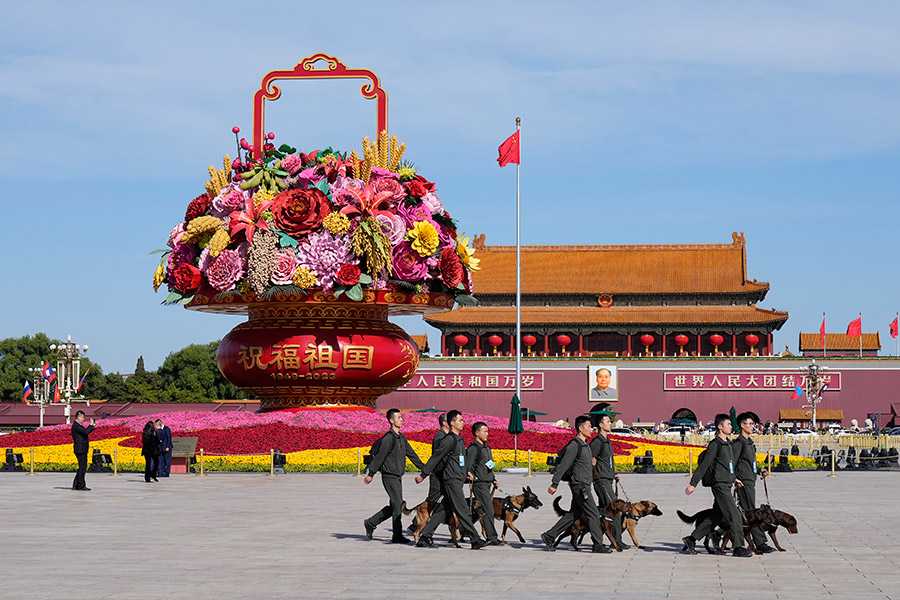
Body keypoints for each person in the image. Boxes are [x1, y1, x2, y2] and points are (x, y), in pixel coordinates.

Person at [415, 410, 488, 550]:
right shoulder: (449, 439)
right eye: (460, 420)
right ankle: (475, 539)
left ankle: (425, 537)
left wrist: (466, 471)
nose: (463, 422)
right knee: (462, 509)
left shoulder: (459, 439)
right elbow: (436, 457)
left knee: (443, 508)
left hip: (458, 479)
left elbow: (460, 460)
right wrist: (423, 474)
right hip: (452, 480)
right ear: (452, 423)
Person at [682, 413, 752, 558]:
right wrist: (693, 484)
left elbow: (727, 466)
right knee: (735, 516)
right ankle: (739, 546)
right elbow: (705, 465)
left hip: (727, 484)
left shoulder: (728, 444)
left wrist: (734, 479)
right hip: (719, 485)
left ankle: (691, 539)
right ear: (720, 427)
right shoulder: (715, 444)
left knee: (714, 517)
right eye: (728, 424)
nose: (731, 426)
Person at [541, 415, 612, 553]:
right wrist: (554, 484)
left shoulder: (585, 445)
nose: (591, 429)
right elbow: (563, 465)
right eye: (588, 426)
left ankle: (549, 536)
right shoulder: (574, 445)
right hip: (580, 486)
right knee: (592, 514)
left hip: (584, 483)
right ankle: (598, 544)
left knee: (573, 514)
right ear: (580, 428)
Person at [364, 408, 425, 544]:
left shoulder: (401, 437)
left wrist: (424, 468)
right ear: (391, 420)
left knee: (395, 505)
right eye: (398, 417)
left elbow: (412, 454)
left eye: (401, 417)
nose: (401, 419)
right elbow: (380, 456)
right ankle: (397, 535)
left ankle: (371, 523)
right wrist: (371, 473)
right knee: (398, 505)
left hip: (398, 476)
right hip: (389, 476)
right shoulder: (388, 438)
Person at [733, 412, 776, 553]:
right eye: (750, 424)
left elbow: (751, 463)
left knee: (747, 512)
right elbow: (731, 463)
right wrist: (734, 478)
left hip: (751, 479)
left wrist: (759, 471)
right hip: (743, 482)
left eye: (753, 424)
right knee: (752, 512)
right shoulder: (739, 443)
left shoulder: (749, 443)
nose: (753, 426)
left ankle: (718, 533)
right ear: (742, 425)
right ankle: (760, 542)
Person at [590, 411, 628, 549]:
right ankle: (617, 540)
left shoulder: (607, 440)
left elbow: (608, 460)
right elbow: (589, 457)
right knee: (615, 508)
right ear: (600, 425)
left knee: (604, 512)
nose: (610, 423)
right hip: (601, 480)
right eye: (607, 421)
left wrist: (614, 473)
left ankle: (598, 540)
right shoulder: (597, 441)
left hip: (608, 478)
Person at [409, 413, 450, 533]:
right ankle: (416, 525)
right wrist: (425, 473)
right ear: (444, 423)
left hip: (443, 475)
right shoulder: (440, 437)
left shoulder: (446, 436)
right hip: (437, 475)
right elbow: (437, 457)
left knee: (446, 501)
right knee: (432, 500)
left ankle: (416, 525)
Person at [467, 422, 501, 545]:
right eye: (484, 431)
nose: (487, 434)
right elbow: (467, 466)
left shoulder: (486, 448)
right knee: (488, 510)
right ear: (477, 433)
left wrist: (494, 479)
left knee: (478, 512)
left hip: (487, 483)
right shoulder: (473, 449)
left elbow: (489, 465)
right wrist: (471, 475)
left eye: (487, 431)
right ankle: (492, 537)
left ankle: (460, 531)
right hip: (479, 484)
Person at [71, 410, 96, 491]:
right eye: (83, 417)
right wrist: (91, 425)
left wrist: (91, 426)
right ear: (79, 417)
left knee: (82, 467)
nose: (84, 419)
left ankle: (76, 484)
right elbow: (85, 432)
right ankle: (81, 485)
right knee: (83, 467)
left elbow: (85, 432)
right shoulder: (76, 426)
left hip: (82, 449)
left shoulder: (78, 425)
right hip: (80, 449)